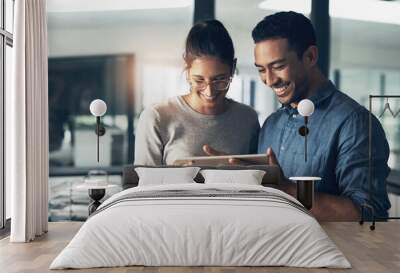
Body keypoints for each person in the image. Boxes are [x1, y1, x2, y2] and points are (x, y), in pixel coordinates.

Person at [207, 11, 390, 221]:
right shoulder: (271, 124)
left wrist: (286, 189)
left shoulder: (355, 123)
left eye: (278, 66)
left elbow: (369, 214)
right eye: (261, 70)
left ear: (310, 56)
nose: (269, 80)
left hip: (326, 253)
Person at [134, 20, 260, 165]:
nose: (210, 91)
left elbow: (259, 182)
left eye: (220, 80)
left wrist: (240, 170)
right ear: (187, 70)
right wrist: (174, 177)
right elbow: (142, 184)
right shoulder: (157, 118)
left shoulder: (247, 119)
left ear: (233, 68)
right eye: (199, 80)